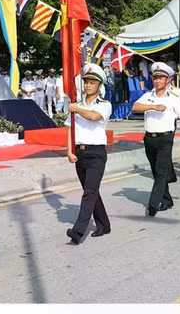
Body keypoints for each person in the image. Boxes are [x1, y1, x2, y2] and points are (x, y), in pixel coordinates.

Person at [132, 62, 180, 216]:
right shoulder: (148, 96)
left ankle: (153, 204)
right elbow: (135, 107)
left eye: (161, 78)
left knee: (161, 171)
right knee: (156, 172)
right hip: (149, 138)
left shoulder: (174, 99)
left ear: (168, 80)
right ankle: (167, 199)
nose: (157, 81)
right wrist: (153, 107)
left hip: (165, 139)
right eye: (155, 77)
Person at [65, 64, 112, 244]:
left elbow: (94, 117)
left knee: (89, 192)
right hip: (80, 152)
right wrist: (69, 150)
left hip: (96, 154)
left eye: (92, 82)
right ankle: (104, 224)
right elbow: (70, 130)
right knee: (90, 191)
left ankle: (78, 231)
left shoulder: (104, 105)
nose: (88, 86)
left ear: (99, 86)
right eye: (86, 82)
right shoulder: (77, 105)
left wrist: (76, 109)